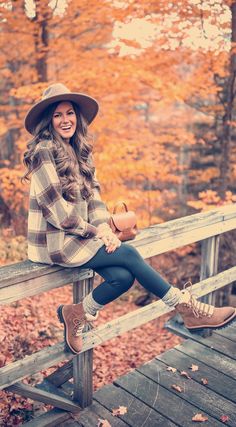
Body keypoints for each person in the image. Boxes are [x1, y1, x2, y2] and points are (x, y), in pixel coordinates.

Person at [23, 83, 236, 355]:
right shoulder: (43, 151)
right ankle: (187, 308)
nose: (65, 120)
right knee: (130, 255)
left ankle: (75, 314)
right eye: (57, 115)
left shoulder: (80, 149)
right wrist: (97, 232)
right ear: (48, 121)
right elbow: (57, 211)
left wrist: (103, 227)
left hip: (80, 234)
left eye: (70, 113)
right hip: (57, 241)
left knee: (122, 278)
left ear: (77, 116)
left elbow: (95, 197)